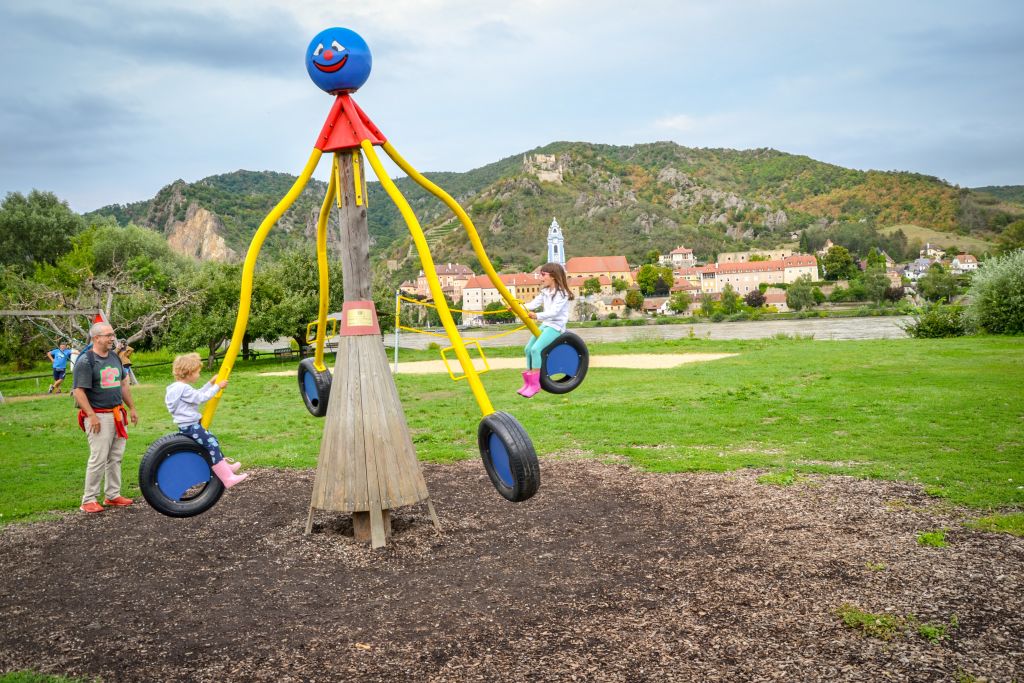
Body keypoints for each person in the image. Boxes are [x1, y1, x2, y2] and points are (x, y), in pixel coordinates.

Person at [72, 322, 139, 513]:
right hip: (99, 417)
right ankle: (88, 500)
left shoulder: (114, 357)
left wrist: (132, 408)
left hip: (117, 415)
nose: (112, 338)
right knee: (98, 458)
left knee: (115, 457)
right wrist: (91, 415)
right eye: (108, 335)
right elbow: (78, 391)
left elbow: (123, 385)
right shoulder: (86, 361)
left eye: (113, 335)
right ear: (96, 338)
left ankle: (112, 495)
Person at [165, 353, 248, 488]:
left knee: (212, 440)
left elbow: (197, 394)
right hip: (191, 426)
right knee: (212, 445)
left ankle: (226, 468)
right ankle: (227, 478)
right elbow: (201, 398)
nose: (199, 374)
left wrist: (210, 383)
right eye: (197, 372)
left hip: (188, 426)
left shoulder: (177, 388)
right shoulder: (184, 388)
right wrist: (217, 386)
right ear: (189, 372)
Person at [517, 262, 574, 398]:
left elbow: (554, 312)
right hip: (546, 324)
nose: (540, 278)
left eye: (543, 275)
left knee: (536, 349)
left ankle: (535, 385)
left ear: (553, 276)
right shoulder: (545, 291)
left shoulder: (562, 294)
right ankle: (528, 383)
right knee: (528, 349)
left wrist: (537, 315)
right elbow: (532, 304)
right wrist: (518, 307)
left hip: (556, 326)